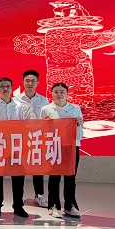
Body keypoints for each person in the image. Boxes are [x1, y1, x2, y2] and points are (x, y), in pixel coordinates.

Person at [0, 78, 30, 218]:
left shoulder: (19, 106)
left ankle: (18, 206)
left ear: (12, 88)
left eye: (8, 86)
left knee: (18, 177)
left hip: (15, 146)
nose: (5, 89)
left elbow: (23, 125)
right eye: (2, 86)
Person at [40, 82, 84, 219]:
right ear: (52, 94)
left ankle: (70, 205)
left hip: (71, 147)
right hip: (54, 146)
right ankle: (54, 205)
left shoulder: (75, 108)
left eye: (62, 92)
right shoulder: (46, 109)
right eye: (56, 92)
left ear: (67, 94)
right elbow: (42, 131)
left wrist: (79, 124)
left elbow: (80, 135)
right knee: (54, 177)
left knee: (70, 177)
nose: (59, 94)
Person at [13, 70, 49, 208]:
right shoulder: (16, 100)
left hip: (38, 138)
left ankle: (39, 195)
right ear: (23, 82)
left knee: (37, 168)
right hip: (21, 138)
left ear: (37, 83)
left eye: (33, 81)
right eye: (27, 81)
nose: (30, 83)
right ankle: (18, 198)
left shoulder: (43, 100)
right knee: (20, 168)